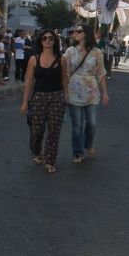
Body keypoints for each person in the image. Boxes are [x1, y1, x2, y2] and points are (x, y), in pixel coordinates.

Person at [20, 29, 68, 173]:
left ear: (55, 41)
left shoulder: (62, 59)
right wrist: (25, 102)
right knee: (37, 130)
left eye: (51, 38)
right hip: (38, 97)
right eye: (44, 38)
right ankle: (36, 150)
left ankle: (50, 160)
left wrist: (66, 94)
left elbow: (64, 78)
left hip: (56, 97)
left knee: (54, 131)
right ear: (40, 41)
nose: (47, 40)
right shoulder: (33, 59)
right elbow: (28, 82)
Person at [65, 23, 109, 163]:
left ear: (86, 33)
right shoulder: (70, 51)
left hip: (91, 91)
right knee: (77, 125)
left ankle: (88, 143)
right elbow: (65, 73)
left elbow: (101, 74)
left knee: (92, 123)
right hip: (74, 90)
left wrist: (105, 93)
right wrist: (64, 91)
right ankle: (77, 153)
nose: (75, 33)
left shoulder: (97, 52)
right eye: (74, 31)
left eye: (78, 31)